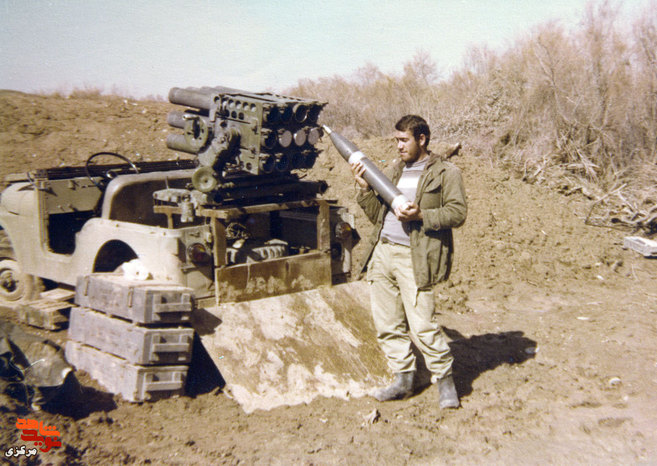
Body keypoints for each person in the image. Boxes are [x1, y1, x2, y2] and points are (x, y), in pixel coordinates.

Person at [351, 114, 467, 408]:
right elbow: (378, 215)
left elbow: (457, 213)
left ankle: (445, 382)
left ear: (422, 139)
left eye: (404, 140)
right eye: (397, 140)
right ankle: (403, 379)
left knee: (423, 324)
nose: (399, 146)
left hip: (414, 257)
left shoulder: (446, 172)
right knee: (388, 323)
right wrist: (364, 189)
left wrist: (422, 215)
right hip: (382, 253)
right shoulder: (394, 171)